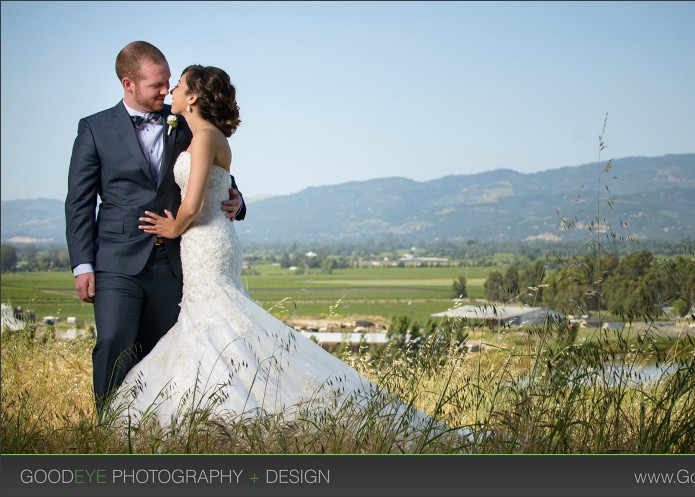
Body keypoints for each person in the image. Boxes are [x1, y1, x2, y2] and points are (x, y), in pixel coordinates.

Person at [112, 64, 460, 447]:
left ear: (192, 97)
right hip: (210, 241)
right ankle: (212, 413)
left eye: (177, 86)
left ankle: (231, 414)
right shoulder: (204, 135)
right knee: (212, 324)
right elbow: (214, 188)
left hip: (205, 240)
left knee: (215, 322)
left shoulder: (207, 137)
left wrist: (171, 228)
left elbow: (192, 205)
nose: (172, 92)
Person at [65, 41, 247, 414]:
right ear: (128, 84)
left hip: (175, 260)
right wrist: (82, 264)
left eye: (169, 82)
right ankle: (108, 427)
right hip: (117, 259)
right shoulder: (95, 129)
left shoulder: (187, 121)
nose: (166, 91)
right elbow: (80, 201)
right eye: (156, 85)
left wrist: (237, 199)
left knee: (164, 346)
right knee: (114, 340)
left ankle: (153, 428)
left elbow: (216, 173)